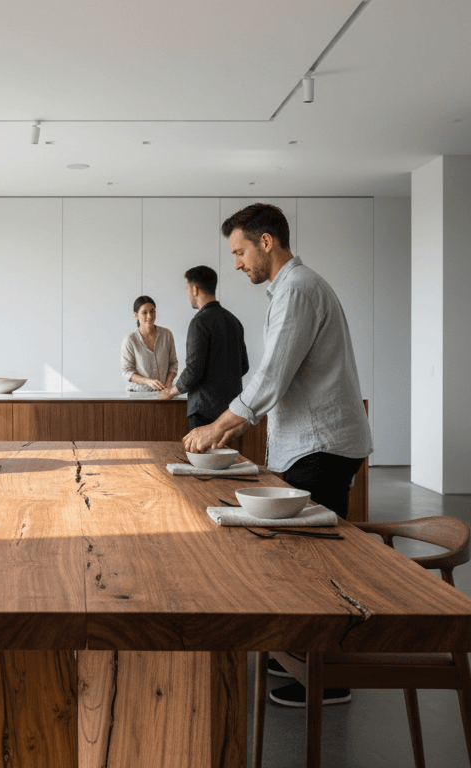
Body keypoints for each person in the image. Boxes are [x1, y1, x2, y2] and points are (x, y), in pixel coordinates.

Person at [182, 203, 372, 710]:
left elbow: (272, 375)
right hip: (312, 441)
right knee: (296, 557)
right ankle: (295, 653)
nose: (237, 263)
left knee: (313, 565)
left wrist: (218, 426)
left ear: (267, 242)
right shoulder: (289, 289)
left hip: (322, 444)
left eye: (240, 251)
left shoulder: (300, 288)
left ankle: (326, 676)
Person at [156, 265, 248, 429]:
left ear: (195, 289)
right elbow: (244, 366)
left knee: (202, 456)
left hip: (204, 411)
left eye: (187, 289)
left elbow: (193, 370)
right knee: (228, 455)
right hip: (232, 412)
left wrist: (170, 392)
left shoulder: (199, 322)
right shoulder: (234, 321)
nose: (188, 294)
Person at [120, 295, 178, 394]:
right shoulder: (130, 340)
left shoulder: (166, 335)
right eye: (144, 312)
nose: (150, 316)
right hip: (137, 394)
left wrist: (169, 382)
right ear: (136, 315)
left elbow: (173, 364)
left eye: (152, 311)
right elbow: (127, 371)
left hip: (163, 392)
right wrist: (147, 381)